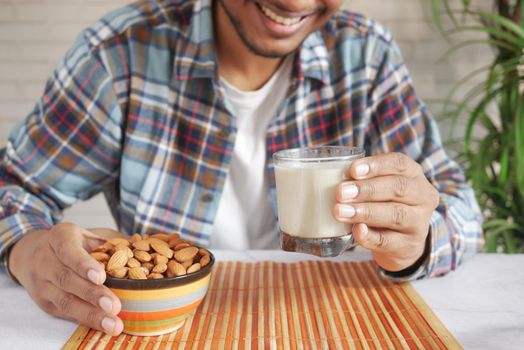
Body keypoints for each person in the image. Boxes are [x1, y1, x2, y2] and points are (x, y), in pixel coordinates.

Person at [0, 0, 483, 337]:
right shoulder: (120, 54)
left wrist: (416, 243)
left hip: (324, 324)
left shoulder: (367, 57)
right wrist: (28, 250)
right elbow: (13, 187)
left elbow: (461, 211)